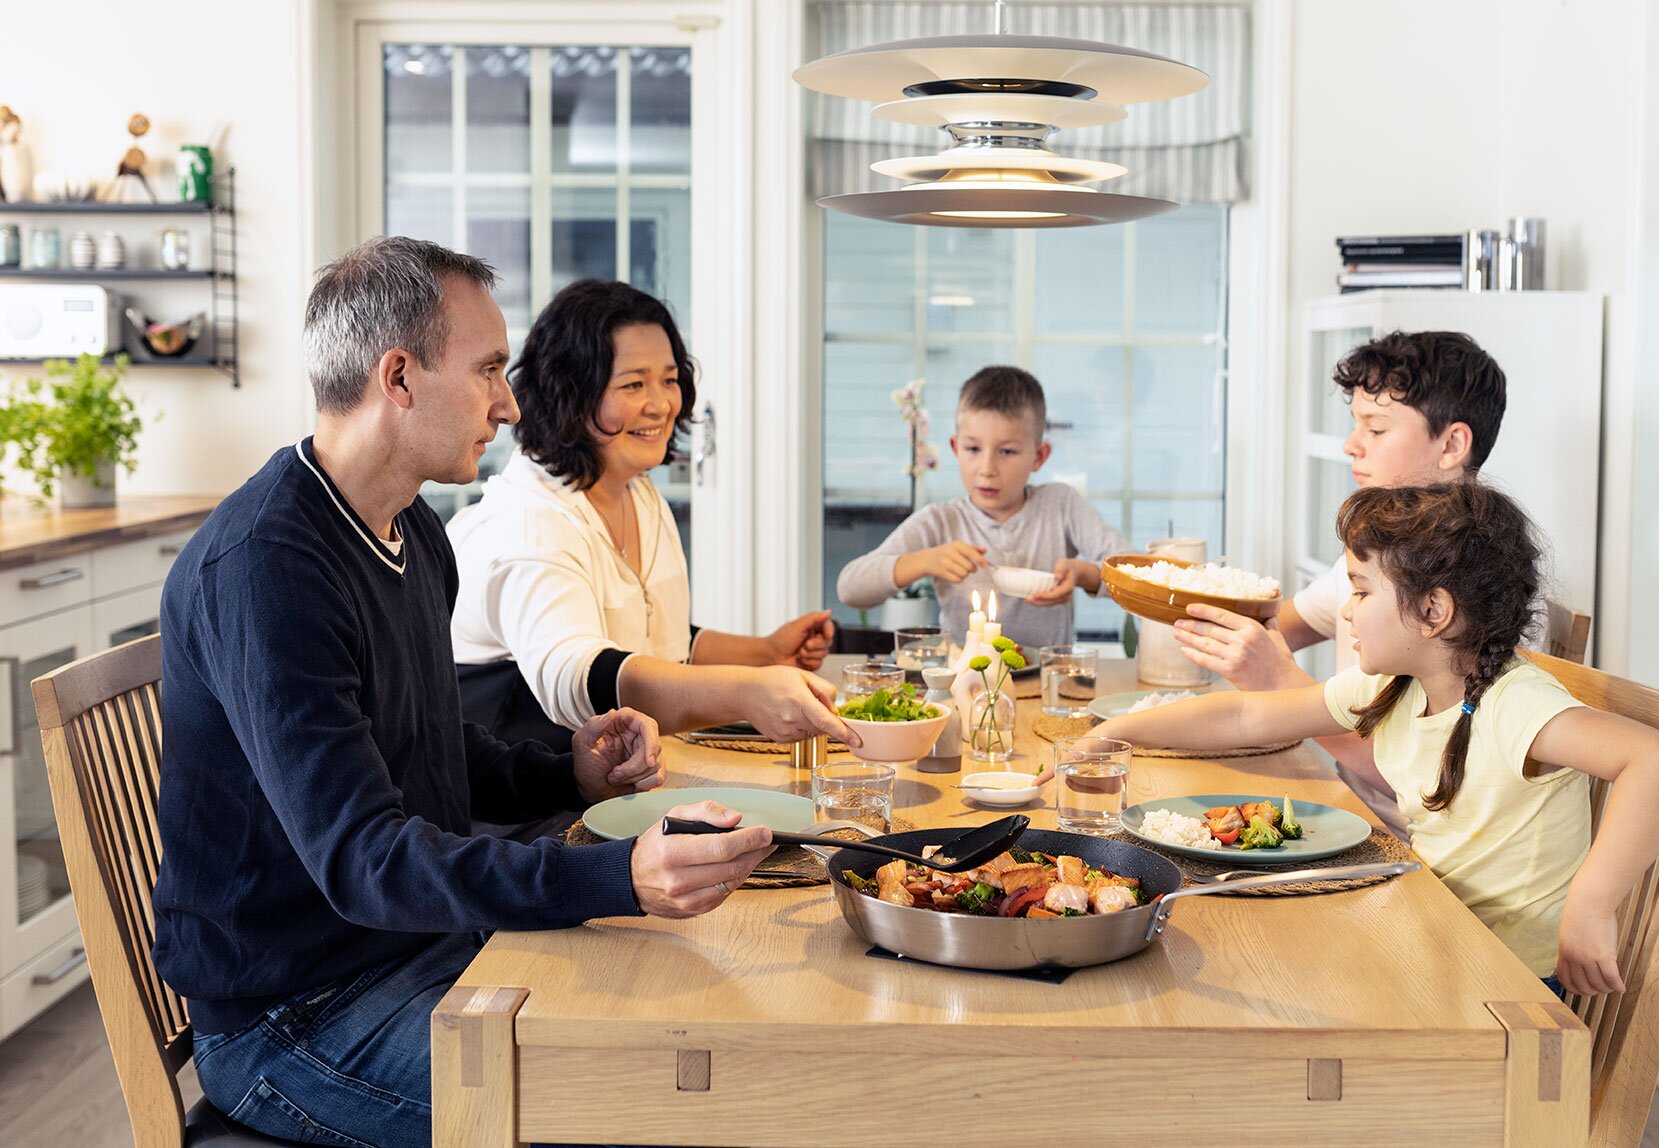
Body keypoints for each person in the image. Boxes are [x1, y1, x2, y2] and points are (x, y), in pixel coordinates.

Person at [151, 237, 776, 1148]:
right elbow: (365, 860)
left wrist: (567, 775)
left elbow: (423, 743)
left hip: (417, 946)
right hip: (295, 1018)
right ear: (398, 377)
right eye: (487, 369)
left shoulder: (412, 531)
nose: (509, 403)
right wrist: (616, 876)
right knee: (650, 1113)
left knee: (708, 1044)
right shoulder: (266, 569)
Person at [1096, 483, 1659, 997]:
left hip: (1503, 982)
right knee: (1250, 955)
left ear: (1434, 611)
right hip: (1433, 935)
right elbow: (1247, 717)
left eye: (1361, 590)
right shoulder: (1398, 685)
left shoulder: (1514, 703)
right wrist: (1115, 733)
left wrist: (1591, 903)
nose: (1347, 612)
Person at [449, 278, 857, 755]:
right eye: (633, 384)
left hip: (627, 771)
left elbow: (655, 639)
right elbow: (577, 679)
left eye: (669, 379)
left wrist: (765, 651)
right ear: (571, 394)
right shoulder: (527, 523)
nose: (661, 404)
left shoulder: (637, 493)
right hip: (530, 792)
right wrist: (746, 692)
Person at [1171, 331, 1508, 809]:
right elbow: (1275, 626)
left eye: (1376, 429)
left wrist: (1280, 681)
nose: (1351, 445)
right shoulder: (1370, 561)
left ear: (1452, 444)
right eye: (1355, 426)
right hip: (1345, 803)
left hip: (1407, 836)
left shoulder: (1488, 586)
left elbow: (1438, 786)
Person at [836, 365, 1128, 651]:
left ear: (1039, 456)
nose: (987, 469)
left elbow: (1135, 575)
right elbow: (850, 588)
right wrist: (924, 561)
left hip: (1046, 677)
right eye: (973, 449)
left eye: (1007, 451)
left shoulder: (1061, 505)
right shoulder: (940, 521)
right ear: (955, 448)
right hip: (966, 677)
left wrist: (1084, 575)